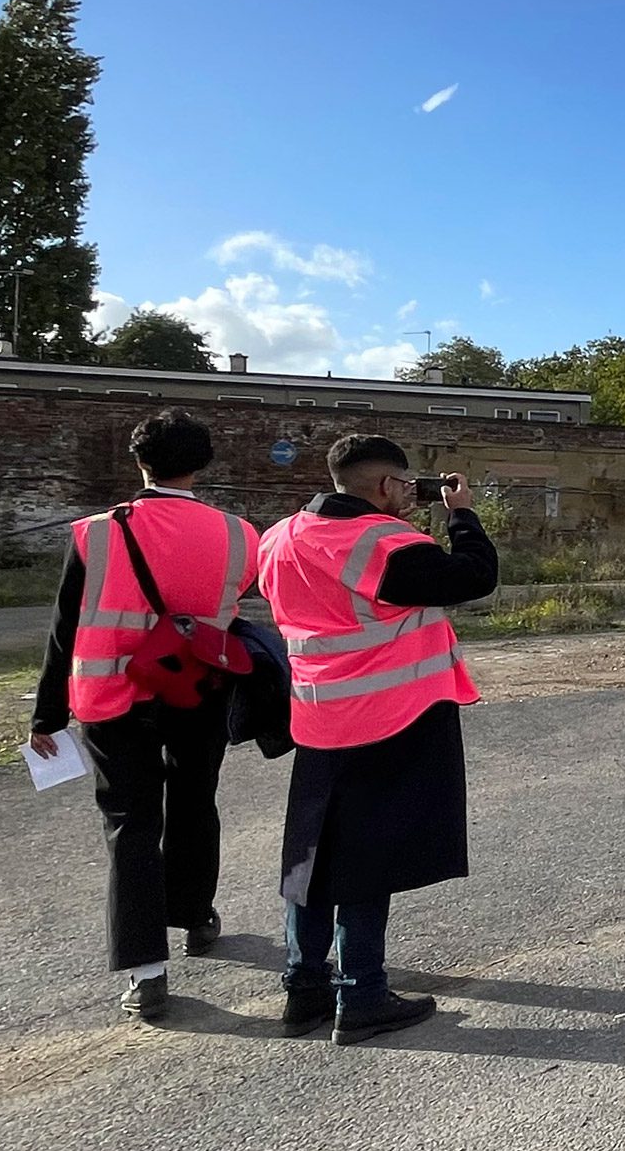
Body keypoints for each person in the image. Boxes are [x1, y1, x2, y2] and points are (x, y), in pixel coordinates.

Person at [255, 436, 497, 1044]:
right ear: (387, 486)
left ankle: (303, 987)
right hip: (392, 715)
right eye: (405, 484)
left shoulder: (279, 536)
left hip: (316, 716)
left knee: (311, 853)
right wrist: (461, 514)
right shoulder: (385, 543)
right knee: (368, 858)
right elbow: (474, 575)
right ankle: (362, 994)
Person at [27, 411, 261, 1024]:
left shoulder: (95, 534)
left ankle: (145, 974)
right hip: (200, 689)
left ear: (140, 463)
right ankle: (196, 916)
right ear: (202, 464)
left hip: (111, 696)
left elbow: (64, 627)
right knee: (194, 800)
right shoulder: (241, 535)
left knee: (130, 824)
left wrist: (47, 714)